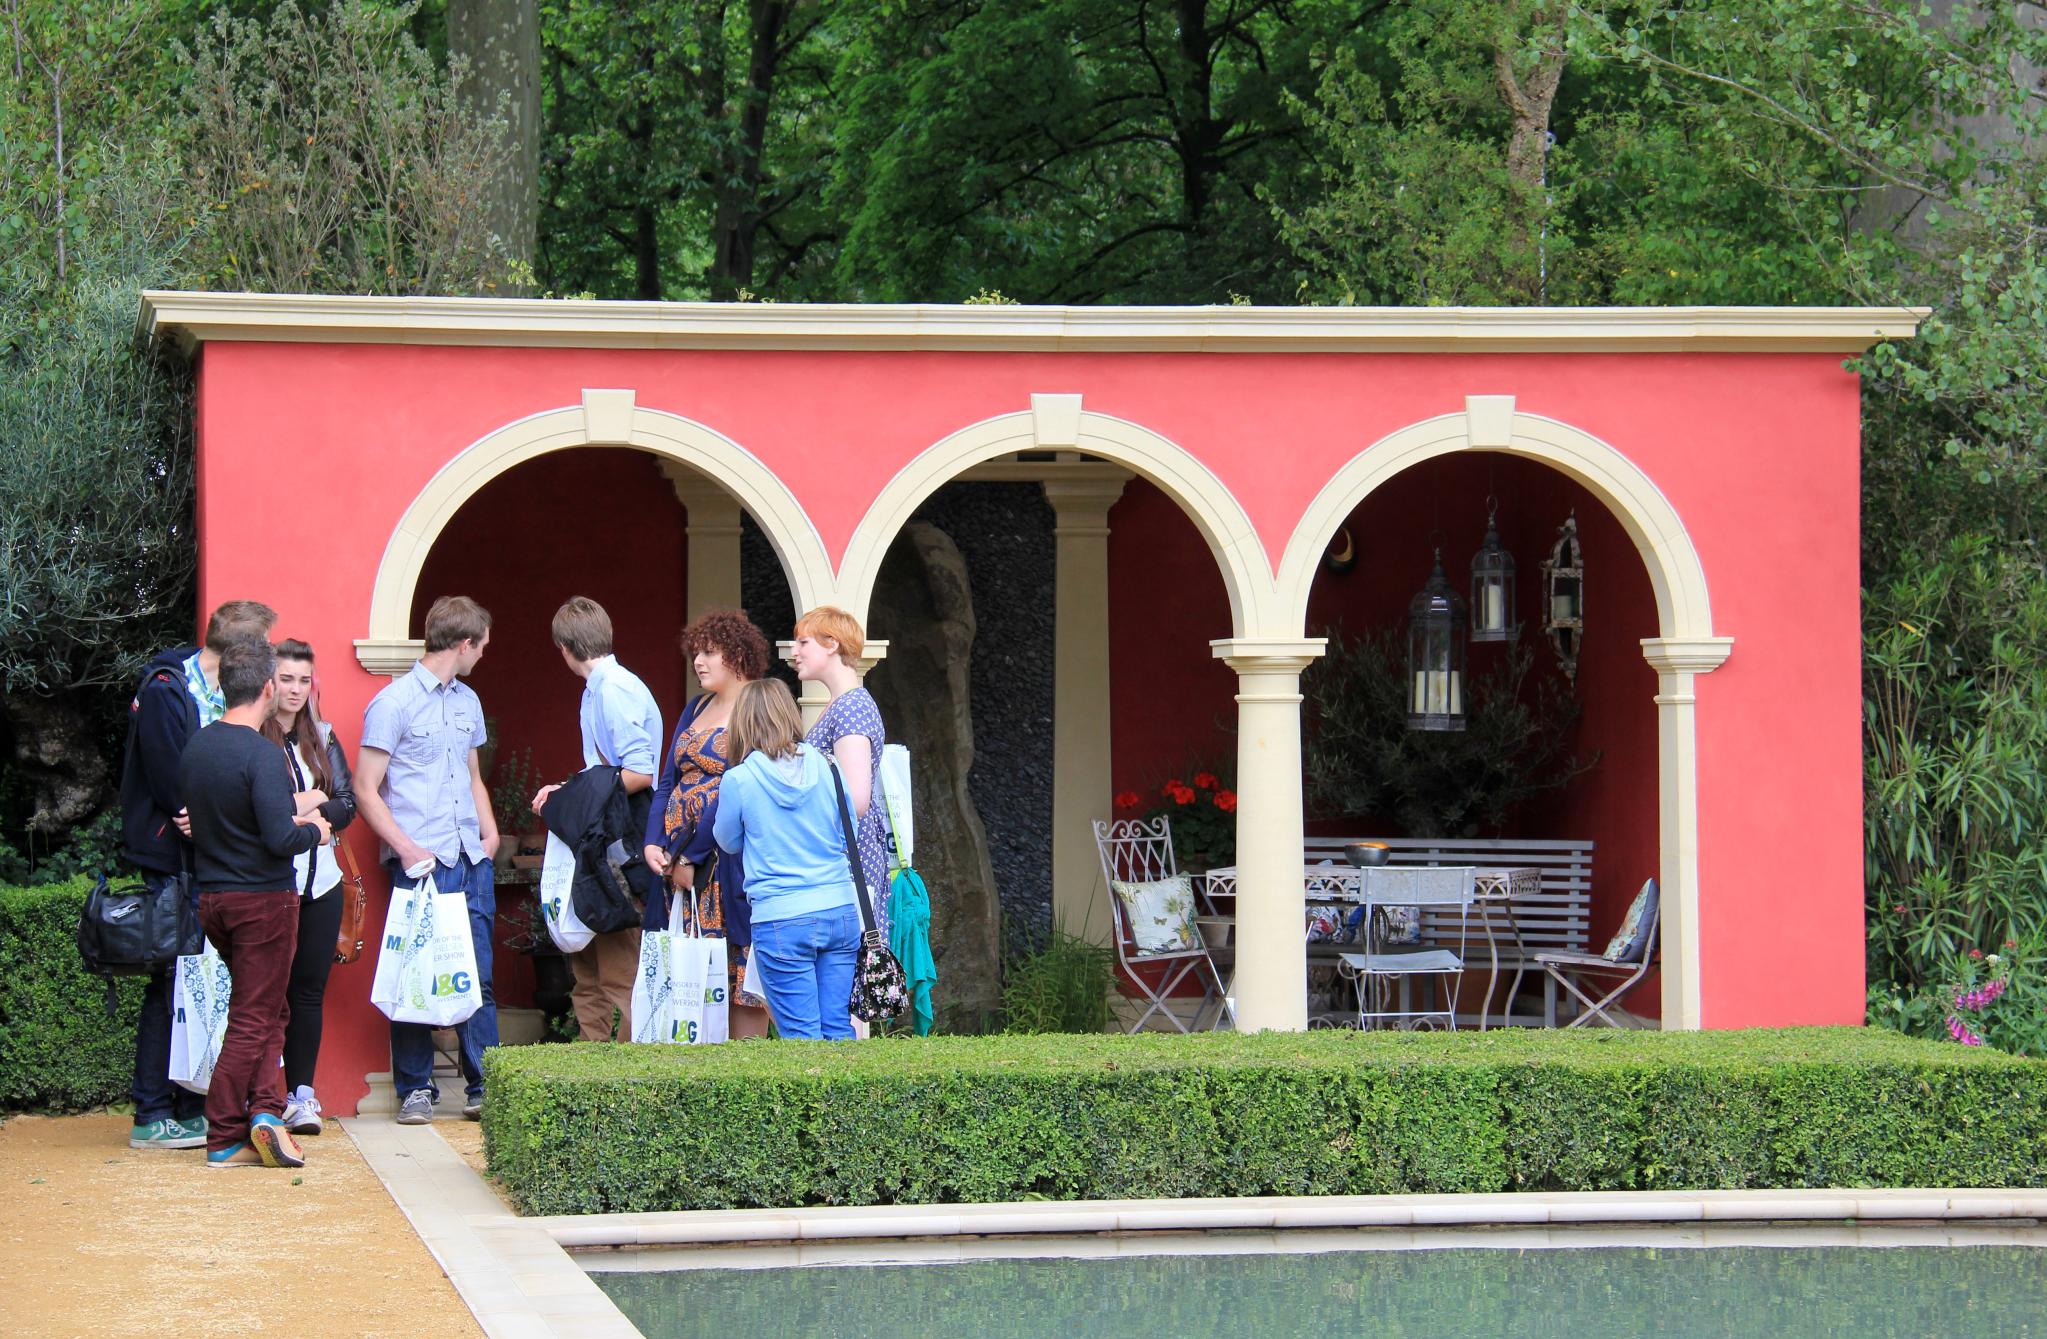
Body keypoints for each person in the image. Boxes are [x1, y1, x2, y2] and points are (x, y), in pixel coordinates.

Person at [115, 598, 276, 1150]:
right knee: (169, 982)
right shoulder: (166, 688)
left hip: (208, 860)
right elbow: (168, 780)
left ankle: (189, 1104)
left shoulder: (207, 690)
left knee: (201, 984)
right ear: (238, 652)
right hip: (172, 858)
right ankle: (152, 1110)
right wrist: (208, 817)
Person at [179, 637, 329, 1168]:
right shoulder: (262, 754)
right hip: (263, 901)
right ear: (268, 687)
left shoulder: (198, 746)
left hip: (213, 897)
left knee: (269, 1008)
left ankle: (266, 1110)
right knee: (251, 1016)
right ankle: (223, 1133)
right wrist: (316, 829)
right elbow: (278, 839)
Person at [355, 596, 500, 1125]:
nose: (482, 655)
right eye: (481, 646)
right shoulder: (391, 704)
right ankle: (416, 1089)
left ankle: (486, 1083)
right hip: (421, 862)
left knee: (479, 974)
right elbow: (365, 789)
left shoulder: (468, 702)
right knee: (416, 976)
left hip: (469, 856)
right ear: (464, 644)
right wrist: (409, 849)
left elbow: (473, 775)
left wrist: (489, 832)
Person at [529, 597, 661, 1042]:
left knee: (619, 965)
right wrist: (570, 791)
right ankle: (591, 1061)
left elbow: (640, 772)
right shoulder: (601, 687)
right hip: (604, 833)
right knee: (586, 967)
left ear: (564, 648)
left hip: (621, 837)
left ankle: (626, 1074)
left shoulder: (613, 688)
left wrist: (572, 795)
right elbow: (603, 772)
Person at [641, 609, 773, 1039]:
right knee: (685, 975)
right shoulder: (696, 706)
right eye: (696, 651)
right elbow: (667, 781)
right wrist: (654, 842)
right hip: (674, 862)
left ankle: (742, 1080)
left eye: (710, 652)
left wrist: (692, 857)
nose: (699, 660)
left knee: (736, 974)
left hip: (724, 864)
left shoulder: (756, 708)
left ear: (737, 654)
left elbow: (737, 790)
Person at [712, 679, 860, 1040]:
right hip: (839, 908)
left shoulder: (739, 780)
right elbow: (847, 833)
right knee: (837, 1029)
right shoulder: (828, 766)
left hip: (781, 917)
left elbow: (727, 841)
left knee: (801, 1037)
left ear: (742, 723)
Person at [262, 640, 357, 1136]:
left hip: (323, 882)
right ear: (268, 680)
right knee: (264, 992)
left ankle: (301, 1096)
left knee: (308, 992)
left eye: (303, 680)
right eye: (286, 678)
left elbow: (348, 802)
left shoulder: (320, 735)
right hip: (272, 883)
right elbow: (265, 811)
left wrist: (310, 802)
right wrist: (314, 798)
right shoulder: (253, 738)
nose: (295, 690)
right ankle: (260, 1097)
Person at [792, 607, 891, 941]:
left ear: (831, 643)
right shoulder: (843, 705)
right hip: (842, 857)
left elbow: (856, 799)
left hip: (848, 861)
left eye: (803, 642)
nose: (794, 652)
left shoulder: (852, 707)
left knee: (852, 967)